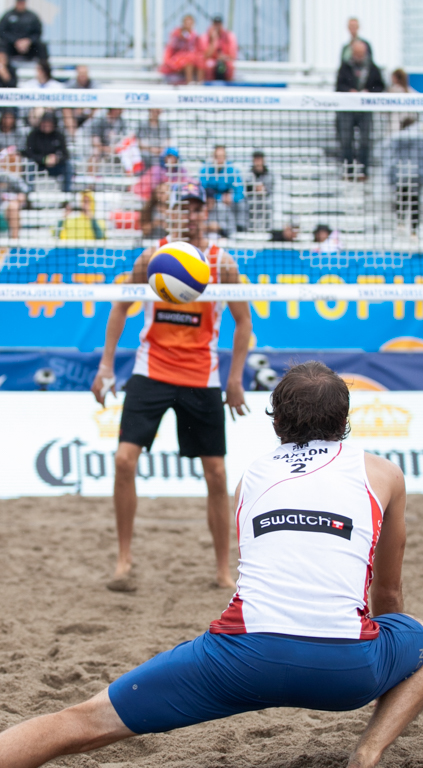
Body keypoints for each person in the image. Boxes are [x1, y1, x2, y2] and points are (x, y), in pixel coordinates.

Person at [0, 362, 423, 768]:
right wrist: (380, 651)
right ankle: (366, 756)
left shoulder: (254, 474)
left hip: (239, 658)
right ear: (347, 420)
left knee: (80, 724)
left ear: (277, 422)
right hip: (346, 672)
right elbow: (386, 599)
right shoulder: (384, 474)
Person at [92, 183, 253, 592]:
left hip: (202, 376)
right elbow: (120, 307)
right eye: (183, 207)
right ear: (171, 213)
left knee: (216, 473)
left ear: (206, 212)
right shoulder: (152, 258)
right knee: (124, 461)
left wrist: (234, 379)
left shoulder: (223, 263)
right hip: (152, 369)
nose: (191, 215)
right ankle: (124, 561)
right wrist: (106, 364)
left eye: (197, 208)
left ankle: (221, 570)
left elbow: (244, 321)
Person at [334, 40, 384, 180]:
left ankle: (363, 171)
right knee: (346, 141)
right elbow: (338, 86)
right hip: (347, 110)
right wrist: (350, 91)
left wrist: (369, 92)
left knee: (365, 141)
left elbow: (379, 87)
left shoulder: (373, 68)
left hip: (365, 110)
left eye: (361, 53)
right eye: (356, 53)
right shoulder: (344, 67)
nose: (359, 56)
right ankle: (348, 170)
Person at [388, 117, 423, 237]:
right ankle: (413, 231)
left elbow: (390, 156)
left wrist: (390, 176)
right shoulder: (422, 137)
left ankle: (400, 224)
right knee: (415, 202)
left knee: (401, 199)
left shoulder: (395, 137)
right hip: (417, 174)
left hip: (401, 174)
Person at [198, 144, 245, 236]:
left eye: (222, 156)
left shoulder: (233, 171)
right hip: (212, 200)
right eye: (217, 156)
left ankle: (240, 229)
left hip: (229, 201)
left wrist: (232, 197)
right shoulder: (205, 170)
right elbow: (202, 190)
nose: (219, 159)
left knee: (241, 203)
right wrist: (219, 198)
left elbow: (240, 191)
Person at [24, 111, 72, 192]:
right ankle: (28, 192)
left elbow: (66, 155)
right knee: (29, 164)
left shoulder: (59, 135)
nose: (46, 125)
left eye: (49, 123)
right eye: (44, 122)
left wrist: (57, 159)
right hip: (39, 166)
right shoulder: (33, 135)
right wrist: (43, 159)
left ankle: (67, 193)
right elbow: (29, 153)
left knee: (68, 166)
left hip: (55, 167)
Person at [0, 0, 49, 64]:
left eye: (22, 2)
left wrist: (28, 41)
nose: (21, 4)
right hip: (12, 46)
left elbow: (38, 32)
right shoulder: (8, 16)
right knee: (2, 46)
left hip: (29, 47)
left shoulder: (32, 16)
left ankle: (44, 70)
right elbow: (1, 31)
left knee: (41, 46)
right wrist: (15, 41)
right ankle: (2, 70)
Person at [160, 15, 202, 84]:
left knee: (200, 62)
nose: (188, 25)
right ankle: (190, 83)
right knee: (189, 62)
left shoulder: (195, 35)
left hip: (189, 58)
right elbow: (172, 46)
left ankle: (200, 84)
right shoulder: (177, 33)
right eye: (186, 23)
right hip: (177, 59)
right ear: (183, 23)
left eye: (190, 23)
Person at [199, 15, 238, 82]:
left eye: (219, 24)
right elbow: (205, 56)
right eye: (215, 24)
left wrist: (224, 57)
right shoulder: (205, 36)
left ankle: (229, 87)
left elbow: (233, 55)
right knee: (209, 65)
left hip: (225, 62)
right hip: (211, 63)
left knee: (229, 66)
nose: (217, 26)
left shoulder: (230, 36)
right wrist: (214, 40)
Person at [246, 151, 276, 233]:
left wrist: (263, 190)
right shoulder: (248, 174)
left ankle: (268, 230)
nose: (258, 162)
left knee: (269, 204)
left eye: (259, 160)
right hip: (251, 200)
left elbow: (270, 190)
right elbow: (246, 188)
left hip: (265, 200)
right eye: (256, 160)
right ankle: (248, 229)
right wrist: (255, 188)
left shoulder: (270, 175)